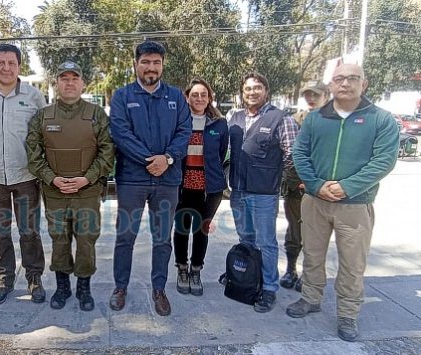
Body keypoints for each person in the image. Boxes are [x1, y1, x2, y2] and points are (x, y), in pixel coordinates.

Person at [287, 64, 398, 341]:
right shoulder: (315, 119)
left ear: (365, 83)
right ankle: (311, 298)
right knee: (312, 254)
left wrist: (346, 187)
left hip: (356, 204)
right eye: (339, 79)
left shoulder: (381, 119)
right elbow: (300, 153)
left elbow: (383, 161)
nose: (345, 83)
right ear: (331, 85)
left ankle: (348, 313)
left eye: (352, 78)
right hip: (315, 199)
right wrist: (316, 185)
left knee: (352, 263)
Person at [108, 41, 191, 316]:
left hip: (167, 181)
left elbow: (184, 131)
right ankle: (120, 287)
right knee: (125, 236)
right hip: (132, 180)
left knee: (162, 239)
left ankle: (159, 290)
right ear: (136, 64)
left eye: (156, 62)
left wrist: (166, 159)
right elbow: (121, 134)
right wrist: (149, 160)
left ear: (162, 65)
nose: (151, 67)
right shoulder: (122, 96)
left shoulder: (176, 97)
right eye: (145, 62)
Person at [26, 61, 115, 311]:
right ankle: (62, 286)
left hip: (87, 191)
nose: (69, 82)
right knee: (60, 241)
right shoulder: (43, 116)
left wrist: (87, 178)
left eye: (74, 78)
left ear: (83, 83)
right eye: (64, 78)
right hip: (55, 192)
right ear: (56, 84)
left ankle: (83, 287)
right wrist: (51, 178)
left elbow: (108, 152)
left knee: (86, 241)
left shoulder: (96, 115)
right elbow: (33, 153)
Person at [0, 44, 47, 305]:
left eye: (11, 63)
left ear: (19, 67)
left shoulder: (34, 97)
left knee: (29, 231)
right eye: (0, 62)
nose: (6, 67)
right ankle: (4, 280)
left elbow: (44, 138)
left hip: (26, 176)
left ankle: (34, 278)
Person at [227, 72, 299, 313]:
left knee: (266, 242)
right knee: (245, 239)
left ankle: (269, 288)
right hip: (237, 191)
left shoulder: (280, 119)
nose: (252, 92)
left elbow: (293, 155)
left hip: (264, 194)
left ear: (266, 91)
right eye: (247, 88)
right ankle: (249, 277)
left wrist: (278, 181)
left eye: (257, 87)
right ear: (242, 92)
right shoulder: (234, 118)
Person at [173, 77, 228, 296]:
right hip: (183, 186)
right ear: (187, 97)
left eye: (203, 94)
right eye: (194, 94)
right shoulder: (179, 121)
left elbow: (221, 153)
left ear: (209, 98)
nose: (199, 98)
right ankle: (182, 269)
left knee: (201, 229)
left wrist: (209, 172)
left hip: (210, 187)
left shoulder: (219, 124)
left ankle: (196, 269)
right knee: (182, 229)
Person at [279, 81, 329, 292]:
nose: (311, 98)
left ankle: (310, 276)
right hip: (294, 186)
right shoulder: (296, 119)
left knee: (315, 235)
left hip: (321, 187)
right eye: (307, 94)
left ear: (326, 95)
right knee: (294, 231)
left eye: (315, 95)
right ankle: (291, 270)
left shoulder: (333, 121)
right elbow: (290, 153)